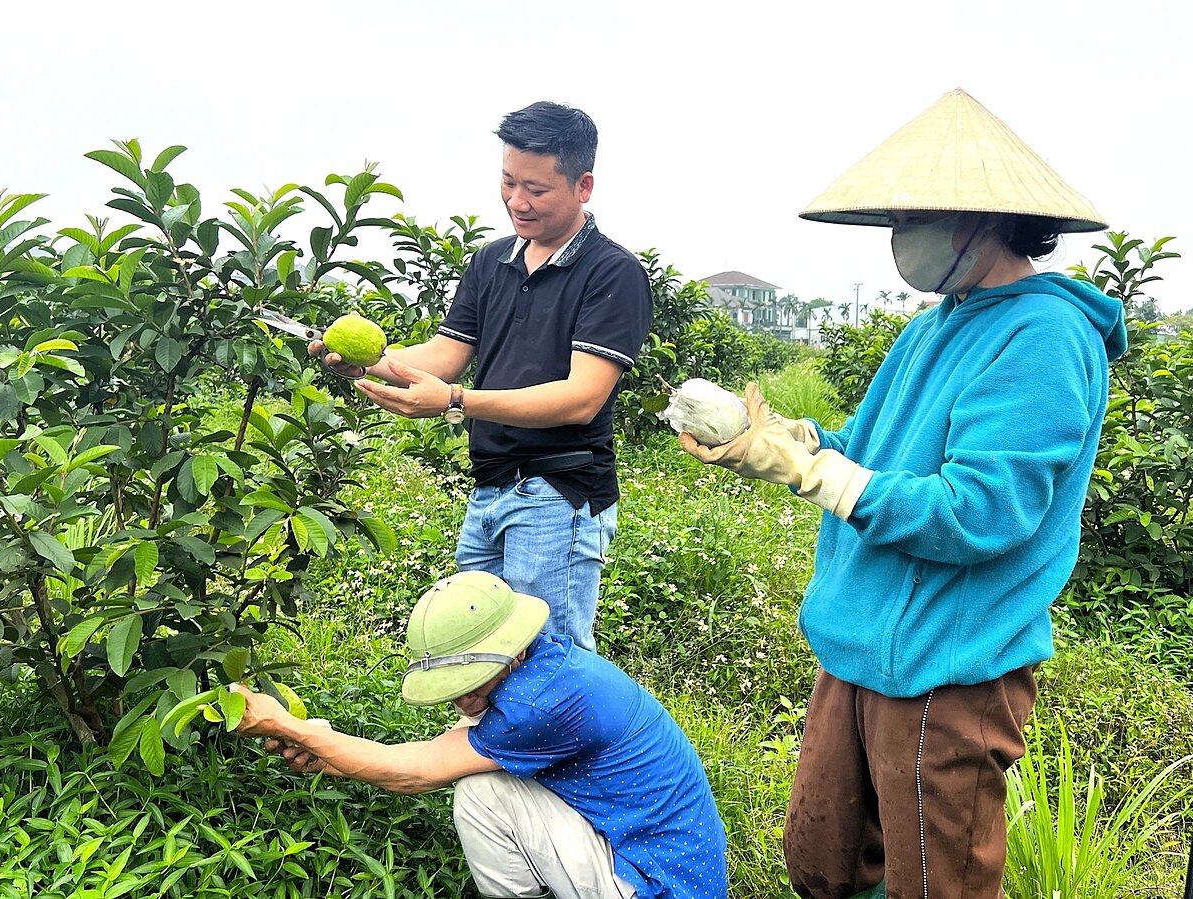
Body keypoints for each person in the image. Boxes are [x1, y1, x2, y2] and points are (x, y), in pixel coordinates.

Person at [680, 89, 1127, 899]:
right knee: (824, 861)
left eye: (912, 217)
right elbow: (868, 447)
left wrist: (809, 472)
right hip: (858, 645)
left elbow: (976, 510)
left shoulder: (1045, 335)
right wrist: (786, 440)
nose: (898, 237)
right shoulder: (931, 324)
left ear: (980, 217)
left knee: (936, 883)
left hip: (945, 665)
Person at [315, 101, 653, 652]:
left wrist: (455, 401)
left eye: (536, 189)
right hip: (490, 489)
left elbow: (581, 398)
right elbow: (443, 355)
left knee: (549, 658)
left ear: (583, 185)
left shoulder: (613, 273)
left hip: (557, 495)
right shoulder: (492, 261)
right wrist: (368, 360)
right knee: (477, 656)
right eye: (508, 182)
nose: (517, 201)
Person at [234, 570, 728, 899]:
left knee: (482, 793)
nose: (464, 701)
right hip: (663, 855)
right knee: (480, 766)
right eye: (453, 686)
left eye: (473, 682)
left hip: (657, 883)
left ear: (512, 651)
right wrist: (328, 750)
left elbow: (418, 771)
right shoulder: (547, 661)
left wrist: (286, 725)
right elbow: (437, 752)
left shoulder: (535, 707)